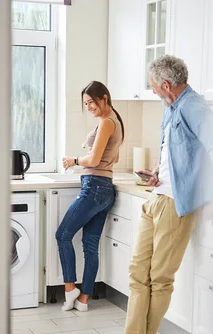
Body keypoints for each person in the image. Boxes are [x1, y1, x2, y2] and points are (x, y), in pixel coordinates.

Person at [88, 55, 213, 334]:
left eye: (154, 87)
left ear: (166, 85)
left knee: (159, 278)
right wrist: (157, 172)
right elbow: (179, 155)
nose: (153, 92)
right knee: (138, 272)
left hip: (175, 203)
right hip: (157, 195)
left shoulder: (194, 106)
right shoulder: (171, 108)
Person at [56, 81, 125, 312]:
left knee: (63, 234)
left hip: (94, 187)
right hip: (105, 189)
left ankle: (69, 289)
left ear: (104, 98)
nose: (89, 107)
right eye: (86, 104)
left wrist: (74, 160)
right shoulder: (116, 121)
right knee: (90, 245)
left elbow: (94, 160)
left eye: (92, 102)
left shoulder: (106, 123)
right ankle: (84, 299)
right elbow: (112, 159)